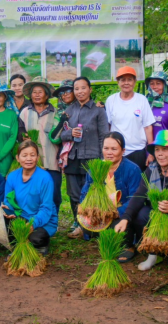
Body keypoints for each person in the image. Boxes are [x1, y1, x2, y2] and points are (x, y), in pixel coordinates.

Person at [115, 130, 168, 269]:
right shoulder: (151, 170)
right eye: (157, 149)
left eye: (165, 149)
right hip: (156, 216)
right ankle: (154, 252)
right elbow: (139, 195)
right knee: (141, 214)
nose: (160, 154)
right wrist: (125, 218)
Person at [61, 77, 110, 238]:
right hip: (73, 157)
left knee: (90, 192)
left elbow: (104, 135)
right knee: (74, 193)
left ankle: (92, 224)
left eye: (83, 88)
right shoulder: (69, 110)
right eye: (76, 88)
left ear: (89, 89)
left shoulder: (98, 110)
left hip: (92, 158)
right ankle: (79, 223)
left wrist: (104, 159)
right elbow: (60, 134)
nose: (80, 91)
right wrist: (70, 133)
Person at [79, 133, 142, 255]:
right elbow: (84, 194)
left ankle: (128, 246)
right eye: (106, 148)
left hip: (119, 213)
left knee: (118, 227)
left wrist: (116, 212)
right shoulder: (95, 169)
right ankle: (105, 239)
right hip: (100, 213)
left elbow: (135, 198)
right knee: (86, 225)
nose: (109, 152)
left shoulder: (132, 169)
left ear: (123, 151)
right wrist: (89, 209)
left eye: (114, 149)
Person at [2, 140, 58, 255]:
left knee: (36, 238)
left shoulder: (45, 178)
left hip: (42, 220)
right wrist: (9, 211)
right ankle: (22, 246)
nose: (28, 159)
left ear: (37, 157)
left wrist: (33, 224)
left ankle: (40, 245)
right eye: (24, 155)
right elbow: (8, 200)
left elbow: (46, 208)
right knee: (6, 230)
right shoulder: (12, 176)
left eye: (32, 155)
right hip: (21, 217)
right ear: (18, 158)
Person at [19, 77, 62, 213]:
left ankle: (51, 222)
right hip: (31, 162)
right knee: (33, 194)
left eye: (40, 92)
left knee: (54, 193)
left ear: (47, 95)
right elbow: (19, 131)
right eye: (34, 92)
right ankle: (34, 222)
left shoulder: (55, 112)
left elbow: (59, 135)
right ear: (30, 95)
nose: (37, 95)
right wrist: (23, 136)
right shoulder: (25, 112)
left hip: (51, 161)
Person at [105, 66, 154, 171]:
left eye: (130, 80)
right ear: (118, 82)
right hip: (116, 152)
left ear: (135, 82)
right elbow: (108, 126)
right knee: (116, 184)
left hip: (137, 151)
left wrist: (150, 152)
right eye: (123, 80)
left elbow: (148, 127)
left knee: (137, 185)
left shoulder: (142, 100)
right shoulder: (111, 100)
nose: (126, 83)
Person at [145, 71, 168, 138]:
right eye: (152, 84)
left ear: (164, 86)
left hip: (163, 146)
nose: (155, 87)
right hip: (145, 146)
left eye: (158, 83)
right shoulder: (145, 103)